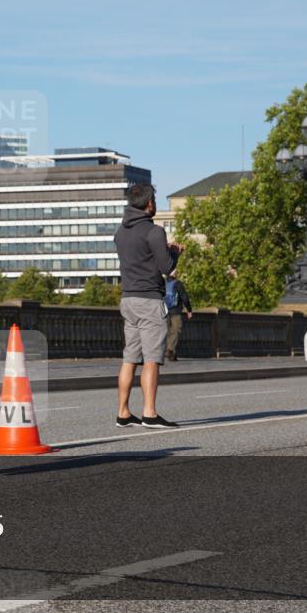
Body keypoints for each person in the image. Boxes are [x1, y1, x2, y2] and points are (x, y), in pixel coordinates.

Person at [114, 183, 183, 429]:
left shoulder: (120, 232)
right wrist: (175, 253)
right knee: (152, 358)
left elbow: (140, 258)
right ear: (149, 203)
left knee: (130, 358)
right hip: (149, 300)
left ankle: (123, 413)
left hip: (128, 299)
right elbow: (167, 268)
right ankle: (149, 413)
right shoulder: (154, 231)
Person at [164, 272, 193, 361]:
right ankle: (170, 349)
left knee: (168, 332)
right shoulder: (177, 283)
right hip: (175, 311)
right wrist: (189, 310)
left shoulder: (163, 283)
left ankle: (172, 355)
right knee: (176, 331)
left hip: (164, 311)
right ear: (175, 274)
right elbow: (185, 297)